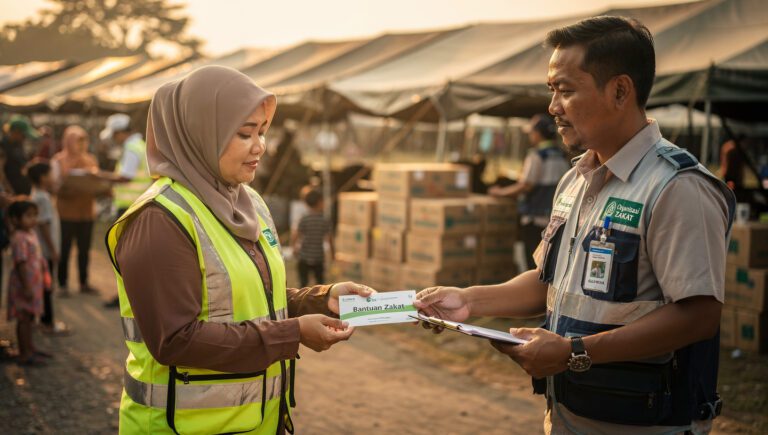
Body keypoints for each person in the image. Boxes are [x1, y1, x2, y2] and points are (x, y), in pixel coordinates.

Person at [415, 16, 735, 435]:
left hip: (643, 424)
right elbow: (549, 281)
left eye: (565, 90)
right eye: (552, 91)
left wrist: (573, 352)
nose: (552, 108)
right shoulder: (575, 180)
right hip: (570, 414)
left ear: (620, 90)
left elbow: (698, 316)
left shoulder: (677, 187)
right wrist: (469, 301)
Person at [106, 65, 374, 434]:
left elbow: (247, 298)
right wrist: (292, 334)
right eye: (245, 134)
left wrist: (320, 299)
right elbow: (174, 339)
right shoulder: (160, 221)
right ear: (201, 135)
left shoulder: (248, 203)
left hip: (256, 424)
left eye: (263, 132)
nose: (260, 146)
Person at [489, 114, 570, 270]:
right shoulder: (562, 154)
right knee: (548, 263)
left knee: (532, 264)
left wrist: (500, 193)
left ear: (538, 134)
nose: (530, 136)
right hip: (555, 218)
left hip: (534, 218)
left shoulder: (536, 155)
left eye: (532, 132)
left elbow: (526, 185)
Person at [100, 113, 153, 309]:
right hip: (137, 205)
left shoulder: (131, 147)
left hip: (128, 207)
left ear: (120, 132)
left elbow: (126, 177)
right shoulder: (139, 145)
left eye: (114, 135)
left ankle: (126, 297)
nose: (114, 139)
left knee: (124, 254)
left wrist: (99, 176)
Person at [51, 126, 101, 296]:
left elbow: (98, 183)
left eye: (83, 141)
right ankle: (63, 284)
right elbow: (53, 186)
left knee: (84, 250)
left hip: (87, 212)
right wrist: (68, 187)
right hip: (66, 214)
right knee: (64, 249)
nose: (80, 145)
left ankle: (83, 283)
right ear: (68, 141)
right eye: (77, 141)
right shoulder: (58, 160)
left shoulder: (91, 160)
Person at [6, 199, 52, 366]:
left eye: (35, 215)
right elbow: (21, 263)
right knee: (23, 319)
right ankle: (24, 353)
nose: (33, 219)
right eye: (28, 216)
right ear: (16, 219)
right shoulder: (19, 238)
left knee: (30, 318)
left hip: (33, 283)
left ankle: (30, 348)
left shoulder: (30, 234)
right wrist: (26, 286)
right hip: (24, 284)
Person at [27, 161, 69, 335]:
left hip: (44, 250)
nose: (54, 177)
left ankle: (43, 320)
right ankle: (47, 323)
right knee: (47, 285)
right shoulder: (41, 198)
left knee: (45, 284)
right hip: (45, 250)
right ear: (43, 177)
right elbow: (43, 226)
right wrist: (52, 250)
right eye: (51, 174)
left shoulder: (41, 194)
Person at [292, 187, 333, 287]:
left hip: (304, 256)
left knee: (303, 284)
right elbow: (329, 238)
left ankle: (302, 301)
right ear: (319, 202)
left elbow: (296, 235)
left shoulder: (304, 218)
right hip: (318, 257)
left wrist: (294, 248)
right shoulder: (324, 220)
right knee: (320, 285)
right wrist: (333, 253)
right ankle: (319, 302)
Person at [1, 115, 37, 195]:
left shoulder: (18, 145)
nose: (25, 138)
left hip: (23, 190)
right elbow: (1, 172)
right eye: (23, 135)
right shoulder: (3, 147)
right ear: (16, 132)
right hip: (12, 193)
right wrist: (8, 190)